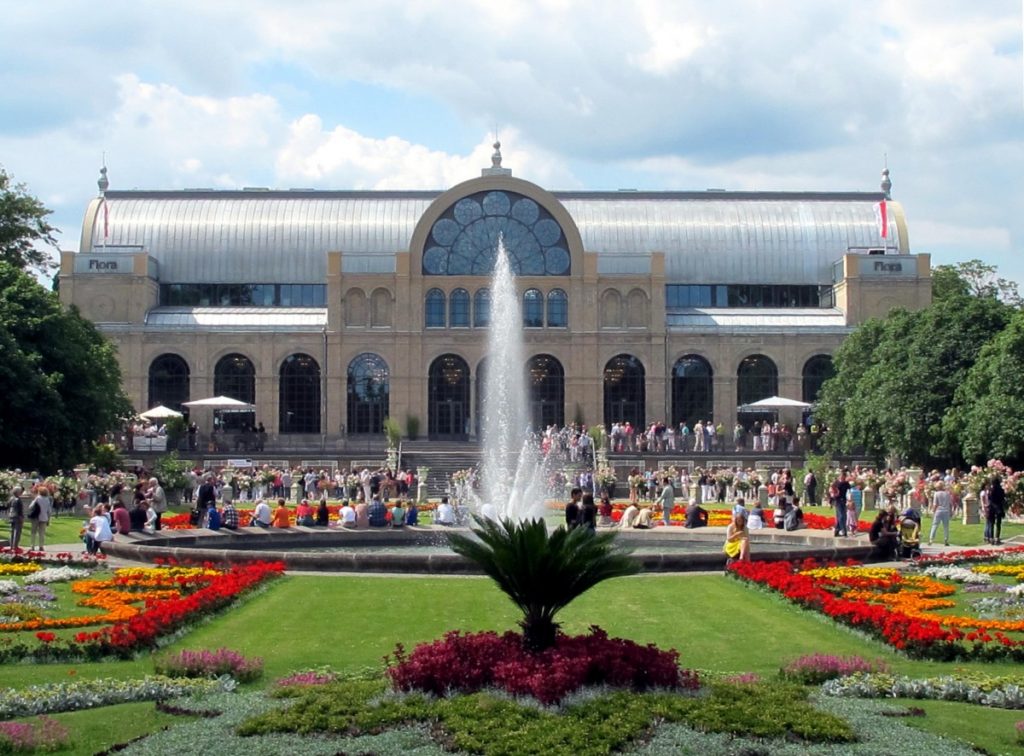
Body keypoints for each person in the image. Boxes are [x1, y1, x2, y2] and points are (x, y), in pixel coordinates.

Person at [27, 485, 53, 551]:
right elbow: (49, 511)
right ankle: (41, 546)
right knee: (42, 533)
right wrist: (48, 519)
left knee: (33, 532)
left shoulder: (37, 498)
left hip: (36, 517)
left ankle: (32, 546)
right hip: (44, 517)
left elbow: (30, 507)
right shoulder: (47, 499)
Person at [928, 481, 952, 546]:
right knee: (946, 526)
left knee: (935, 525)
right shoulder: (947, 493)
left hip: (938, 511)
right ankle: (946, 540)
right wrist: (951, 512)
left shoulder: (936, 494)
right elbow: (950, 503)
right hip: (946, 511)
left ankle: (931, 539)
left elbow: (935, 504)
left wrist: (932, 511)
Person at [986, 476, 1006, 545]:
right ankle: (997, 537)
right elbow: (1003, 499)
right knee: (998, 524)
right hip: (999, 507)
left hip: (992, 508)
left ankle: (991, 538)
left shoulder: (991, 490)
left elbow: (989, 499)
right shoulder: (1001, 490)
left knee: (991, 523)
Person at [7, 486, 24, 551]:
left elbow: (8, 507)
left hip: (11, 516)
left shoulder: (11, 499)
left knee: (12, 531)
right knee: (17, 532)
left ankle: (11, 546)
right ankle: (15, 546)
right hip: (17, 517)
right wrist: (21, 517)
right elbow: (20, 510)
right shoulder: (18, 500)